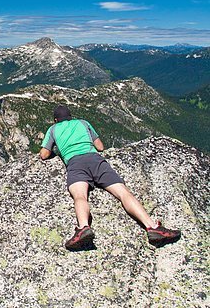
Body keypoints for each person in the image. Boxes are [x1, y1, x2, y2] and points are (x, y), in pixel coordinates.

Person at [39, 105, 181, 250]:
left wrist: (57, 149)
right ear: (71, 116)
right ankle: (152, 226)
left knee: (80, 196)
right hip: (95, 160)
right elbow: (100, 147)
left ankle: (83, 227)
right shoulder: (83, 123)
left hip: (75, 164)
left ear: (56, 120)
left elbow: (44, 155)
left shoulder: (53, 129)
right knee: (123, 192)